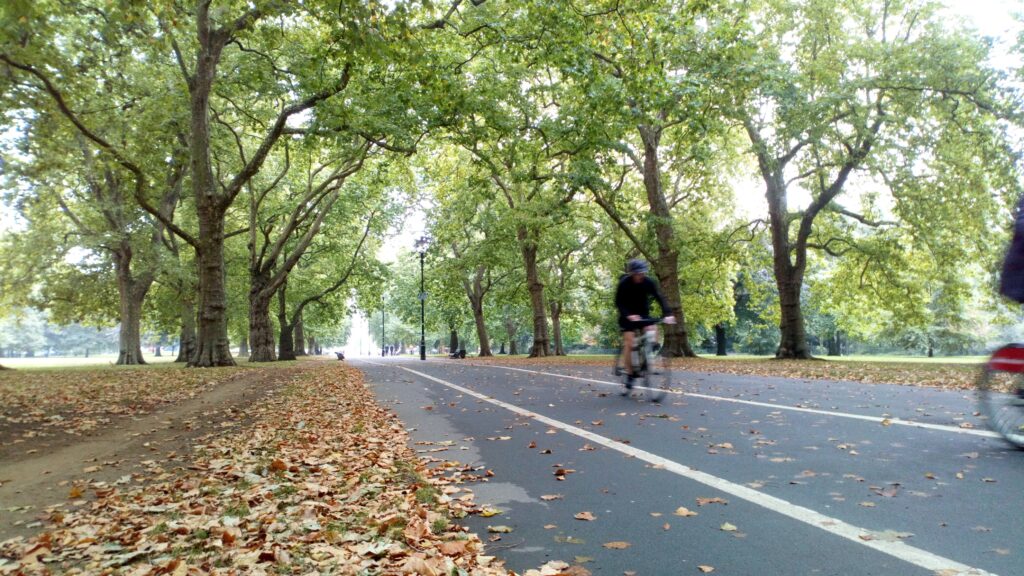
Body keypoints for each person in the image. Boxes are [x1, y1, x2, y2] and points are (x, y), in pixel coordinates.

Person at [615, 258, 675, 386]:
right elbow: (618, 303)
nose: (641, 276)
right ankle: (630, 374)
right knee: (629, 342)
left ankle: (650, 353)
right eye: (638, 273)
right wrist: (629, 315)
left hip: (643, 314)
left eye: (643, 273)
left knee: (653, 328)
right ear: (632, 274)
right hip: (627, 316)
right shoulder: (624, 283)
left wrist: (668, 314)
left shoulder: (648, 282)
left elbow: (660, 297)